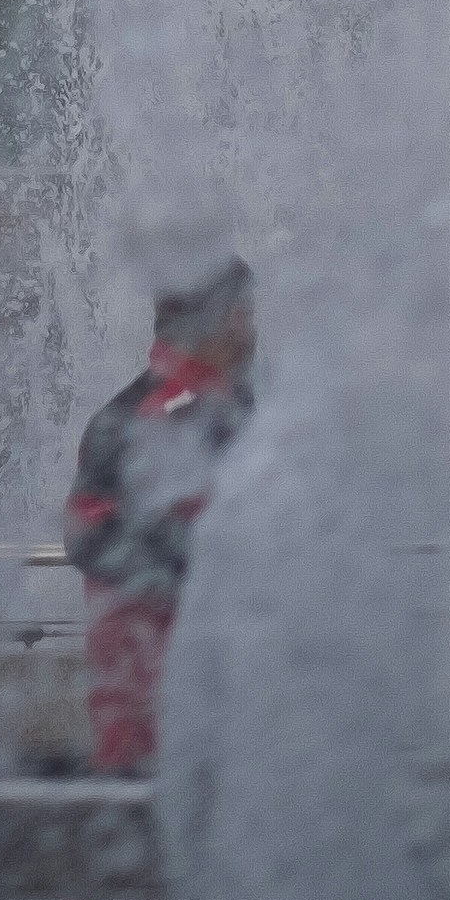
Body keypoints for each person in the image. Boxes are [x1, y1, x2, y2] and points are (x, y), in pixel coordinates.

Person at [65, 253, 256, 778]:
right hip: (160, 714)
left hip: (192, 710)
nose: (253, 329)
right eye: (244, 313)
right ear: (214, 320)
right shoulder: (142, 420)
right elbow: (90, 539)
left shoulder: (234, 411)